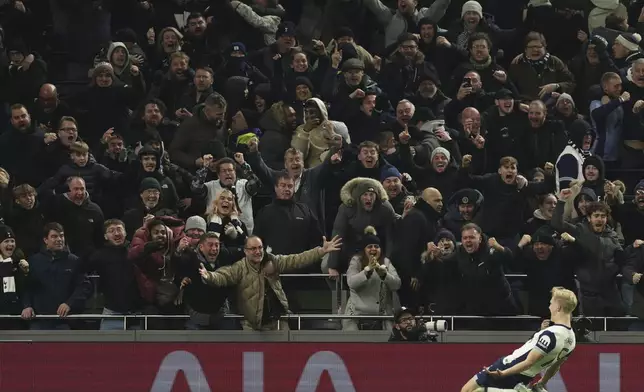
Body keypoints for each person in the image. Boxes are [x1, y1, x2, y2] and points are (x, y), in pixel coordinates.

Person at [460, 287, 578, 392]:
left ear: (558, 307)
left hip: (509, 367)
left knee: (467, 390)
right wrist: (542, 382)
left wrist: (503, 373)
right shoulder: (571, 339)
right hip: (525, 377)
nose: (549, 307)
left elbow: (528, 362)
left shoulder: (551, 334)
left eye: (551, 303)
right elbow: (555, 366)